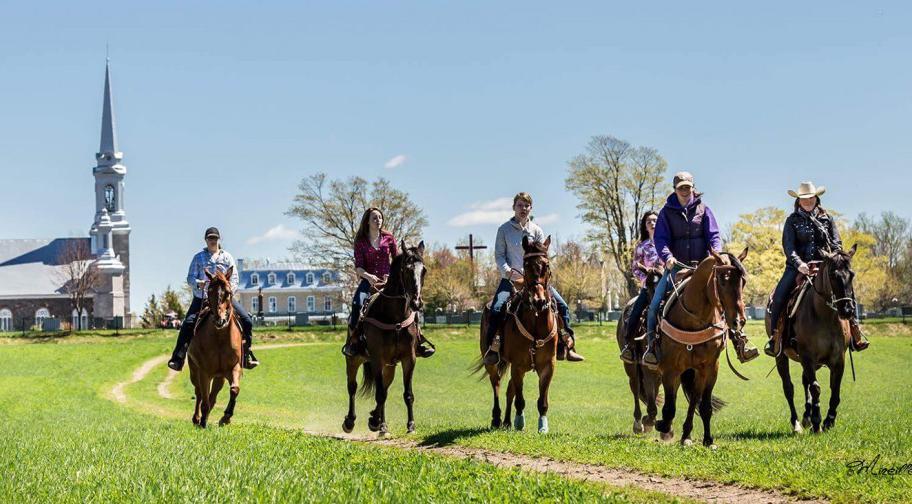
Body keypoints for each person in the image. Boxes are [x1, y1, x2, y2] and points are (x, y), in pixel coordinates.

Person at [641, 172, 759, 368]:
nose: (685, 191)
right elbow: (660, 239)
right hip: (676, 267)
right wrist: (667, 258)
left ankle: (740, 340)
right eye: (681, 187)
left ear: (693, 188)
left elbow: (713, 235)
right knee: (654, 304)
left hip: (703, 268)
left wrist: (717, 255)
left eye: (688, 187)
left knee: (725, 298)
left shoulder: (704, 210)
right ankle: (652, 347)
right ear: (675, 189)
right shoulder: (666, 213)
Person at [764, 181, 869, 356]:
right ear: (798, 200)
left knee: (847, 290)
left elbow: (837, 243)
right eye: (803, 199)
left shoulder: (828, 219)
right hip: (797, 268)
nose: (807, 201)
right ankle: (775, 337)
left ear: (816, 198)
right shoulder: (792, 221)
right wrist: (800, 264)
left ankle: (855, 332)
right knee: (779, 296)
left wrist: (834, 259)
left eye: (810, 198)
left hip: (825, 266)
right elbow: (788, 247)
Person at [482, 192, 584, 366]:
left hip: (536, 282)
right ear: (514, 207)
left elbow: (542, 257)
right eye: (520, 205)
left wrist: (540, 278)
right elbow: (499, 256)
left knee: (562, 306)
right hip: (511, 280)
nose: (523, 209)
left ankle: (567, 345)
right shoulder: (503, 230)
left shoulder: (536, 230)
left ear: (531, 208)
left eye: (526, 206)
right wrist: (509, 274)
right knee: (497, 308)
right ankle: (493, 347)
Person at [341, 207, 435, 358]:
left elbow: (397, 259)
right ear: (367, 221)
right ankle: (354, 342)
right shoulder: (360, 241)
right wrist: (368, 276)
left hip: (389, 281)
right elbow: (358, 267)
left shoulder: (389, 238)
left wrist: (394, 273)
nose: (378, 220)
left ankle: (419, 341)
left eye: (380, 218)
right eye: (374, 218)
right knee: (357, 304)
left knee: (411, 302)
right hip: (368, 282)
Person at [167, 227, 259, 371]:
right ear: (206, 240)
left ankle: (246, 354)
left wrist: (228, 292)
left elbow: (234, 279)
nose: (212, 241)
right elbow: (190, 278)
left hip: (224, 298)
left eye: (215, 238)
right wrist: (199, 283)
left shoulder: (227, 257)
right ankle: (178, 357)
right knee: (188, 323)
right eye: (210, 238)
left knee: (246, 320)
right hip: (202, 297)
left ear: (218, 240)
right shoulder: (198, 257)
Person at [619, 211, 661, 364]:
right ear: (645, 225)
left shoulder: (666, 242)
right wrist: (646, 279)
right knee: (635, 312)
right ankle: (628, 346)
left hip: (667, 284)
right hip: (649, 287)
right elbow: (635, 268)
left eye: (655, 220)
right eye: (649, 221)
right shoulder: (641, 247)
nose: (652, 223)